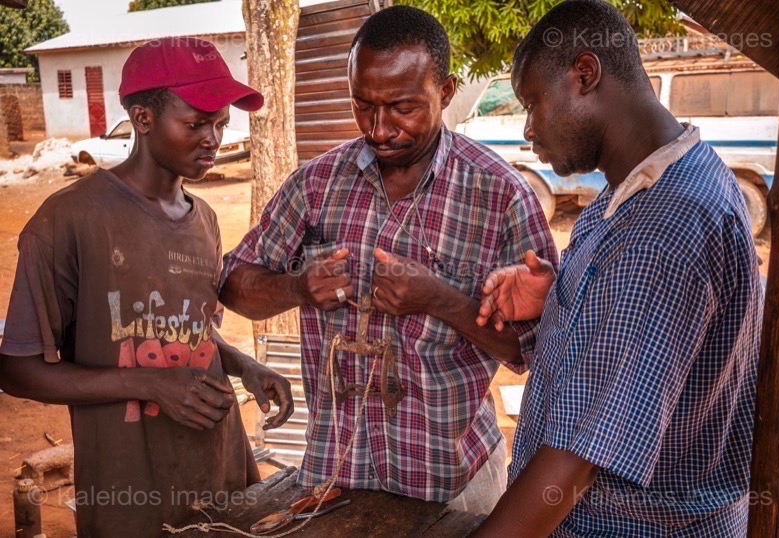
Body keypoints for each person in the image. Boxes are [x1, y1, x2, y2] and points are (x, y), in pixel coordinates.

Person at [219, 6, 558, 515]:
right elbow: (232, 284)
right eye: (362, 106)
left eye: (402, 107)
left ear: (445, 92)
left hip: (454, 485)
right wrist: (296, 289)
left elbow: (538, 352)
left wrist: (438, 298)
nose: (379, 128)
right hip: (337, 477)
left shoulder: (501, 195)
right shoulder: (316, 185)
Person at [473, 1, 763, 535]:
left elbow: (577, 459)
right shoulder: (647, 183)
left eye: (533, 103)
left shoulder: (662, 227)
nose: (529, 130)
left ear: (584, 74)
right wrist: (562, 299)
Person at [0, 38, 294, 536]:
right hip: (128, 493)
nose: (213, 139)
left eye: (221, 123)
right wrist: (146, 382)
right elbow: (17, 371)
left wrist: (242, 363)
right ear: (142, 118)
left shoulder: (202, 218)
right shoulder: (69, 221)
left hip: (219, 468)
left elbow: (188, 332)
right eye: (197, 123)